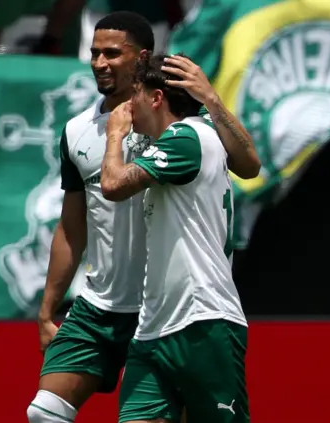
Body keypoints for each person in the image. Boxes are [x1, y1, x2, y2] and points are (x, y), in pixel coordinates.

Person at [27, 11, 259, 423]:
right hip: (104, 304)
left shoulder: (186, 129)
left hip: (180, 305)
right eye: (94, 53)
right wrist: (47, 310)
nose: (100, 63)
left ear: (143, 58)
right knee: (44, 413)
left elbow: (249, 165)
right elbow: (72, 226)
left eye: (113, 53)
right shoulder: (78, 131)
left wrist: (212, 99)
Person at [101, 53, 250, 423]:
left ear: (156, 98)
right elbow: (249, 163)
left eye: (134, 93)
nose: (127, 104)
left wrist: (115, 135)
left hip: (202, 318)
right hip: (155, 326)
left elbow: (113, 185)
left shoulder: (187, 137)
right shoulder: (200, 134)